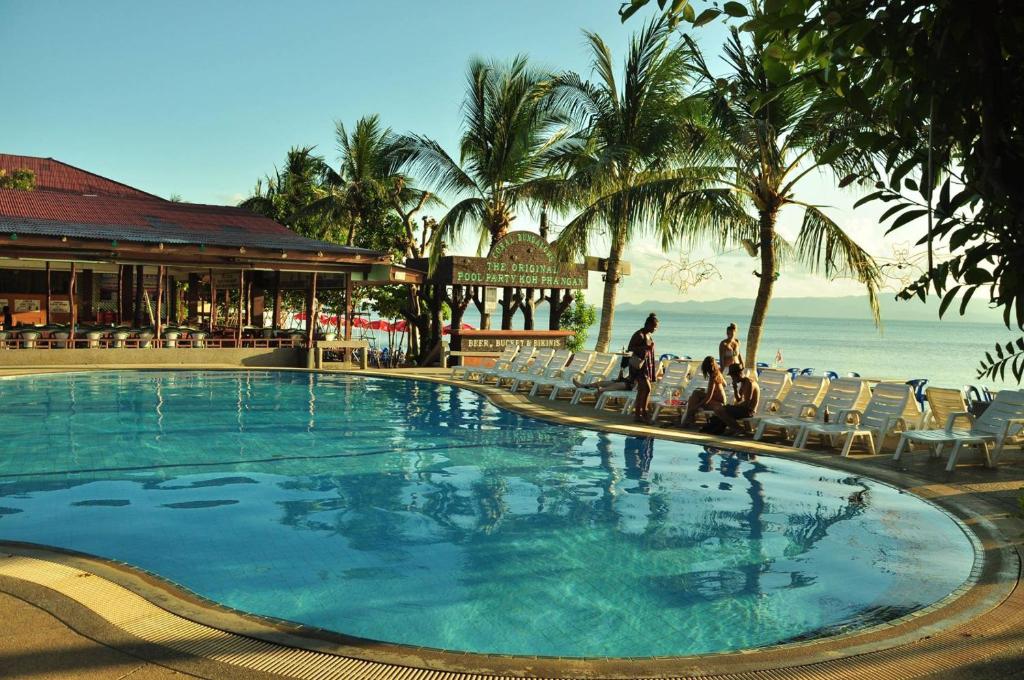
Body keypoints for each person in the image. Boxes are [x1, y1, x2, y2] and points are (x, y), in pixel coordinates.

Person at [710, 363, 761, 434]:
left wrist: (733, 407)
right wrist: (735, 388)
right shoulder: (743, 382)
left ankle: (738, 429)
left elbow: (747, 403)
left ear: (738, 374)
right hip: (744, 409)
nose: (732, 379)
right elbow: (739, 399)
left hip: (749, 411)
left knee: (720, 410)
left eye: (733, 377)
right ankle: (734, 428)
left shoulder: (749, 383)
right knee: (719, 409)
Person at [627, 313, 659, 423]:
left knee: (641, 390)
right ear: (648, 324)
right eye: (654, 326)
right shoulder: (639, 334)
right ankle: (644, 414)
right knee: (647, 389)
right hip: (639, 366)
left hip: (646, 365)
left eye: (656, 327)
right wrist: (646, 347)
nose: (655, 329)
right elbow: (630, 347)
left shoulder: (649, 335)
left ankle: (637, 415)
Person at [679, 355, 727, 428]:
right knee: (696, 393)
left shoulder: (713, 377)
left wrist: (695, 407)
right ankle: (689, 420)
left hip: (718, 403)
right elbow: (725, 384)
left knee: (693, 399)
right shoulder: (718, 373)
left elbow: (708, 398)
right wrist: (716, 390)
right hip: (719, 400)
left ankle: (688, 420)